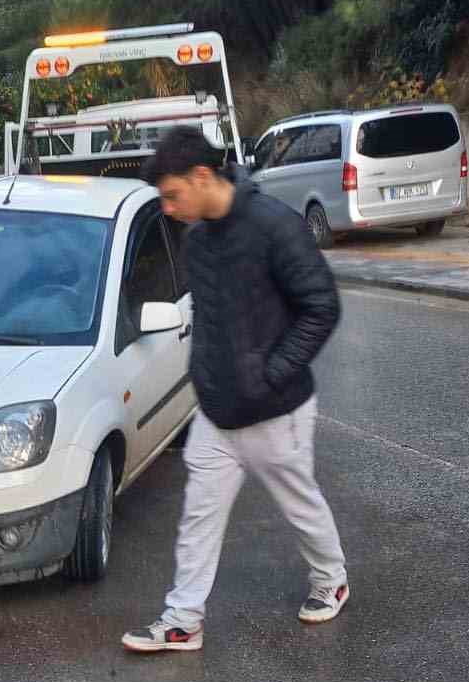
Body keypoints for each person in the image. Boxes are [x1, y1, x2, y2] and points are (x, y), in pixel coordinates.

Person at [122, 127, 348, 654]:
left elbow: (321, 308)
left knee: (299, 503)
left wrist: (271, 374)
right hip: (218, 410)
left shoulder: (275, 227)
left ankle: (330, 578)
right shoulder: (197, 239)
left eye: (173, 195)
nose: (170, 209)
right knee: (198, 515)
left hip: (275, 409)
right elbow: (209, 316)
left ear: (202, 177)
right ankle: (183, 620)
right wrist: (205, 374)